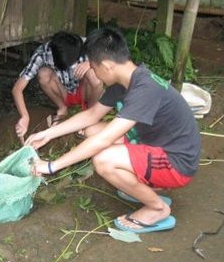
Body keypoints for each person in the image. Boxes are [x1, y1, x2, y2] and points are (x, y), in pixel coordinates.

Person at [25, 27, 201, 233]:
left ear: (107, 66)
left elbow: (104, 141)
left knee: (103, 160)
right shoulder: (126, 80)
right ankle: (142, 187)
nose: (92, 71)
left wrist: (52, 166)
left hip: (177, 163)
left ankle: (157, 208)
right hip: (154, 144)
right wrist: (46, 134)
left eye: (92, 66)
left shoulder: (144, 90)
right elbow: (91, 116)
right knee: (91, 130)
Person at [12, 31, 103, 141]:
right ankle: (62, 108)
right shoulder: (43, 53)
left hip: (84, 90)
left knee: (94, 76)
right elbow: (17, 89)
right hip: (63, 91)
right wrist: (25, 116)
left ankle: (92, 114)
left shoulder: (87, 44)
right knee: (43, 73)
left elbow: (111, 58)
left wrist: (90, 63)